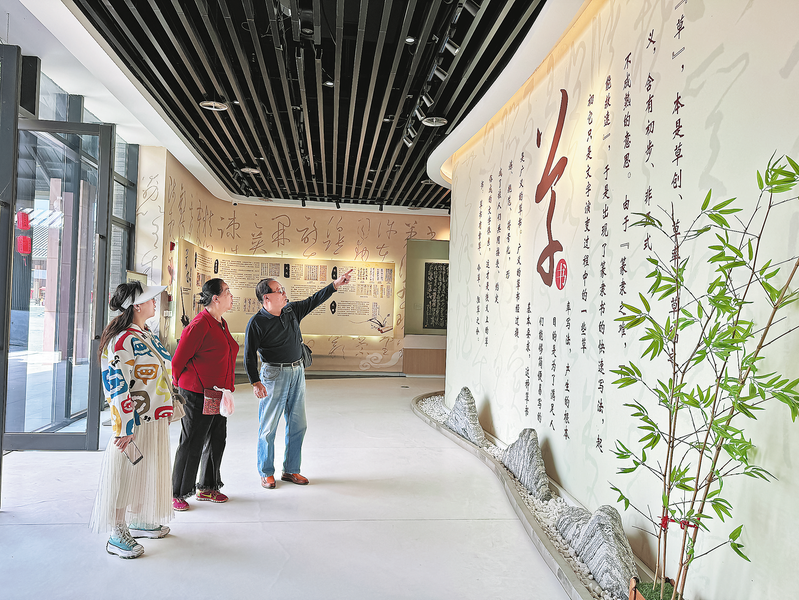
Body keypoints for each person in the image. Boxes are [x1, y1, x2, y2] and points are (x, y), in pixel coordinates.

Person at [244, 269, 352, 489]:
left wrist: (335, 285)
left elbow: (314, 300)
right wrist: (255, 382)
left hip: (297, 372)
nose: (284, 293)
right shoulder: (257, 323)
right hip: (273, 375)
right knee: (268, 427)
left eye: (283, 289)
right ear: (266, 298)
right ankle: (266, 472)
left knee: (298, 424)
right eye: (279, 290)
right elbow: (248, 355)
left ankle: (291, 469)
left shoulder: (291, 310)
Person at [90, 282, 175, 559]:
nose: (155, 302)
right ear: (137, 306)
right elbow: (116, 386)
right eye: (150, 299)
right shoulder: (122, 340)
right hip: (134, 421)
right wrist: (125, 426)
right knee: (125, 474)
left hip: (151, 416)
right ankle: (117, 532)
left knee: (145, 468)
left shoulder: (143, 333)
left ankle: (138, 520)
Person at [170, 278, 238, 511]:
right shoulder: (199, 325)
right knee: (192, 441)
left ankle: (208, 487)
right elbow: (177, 361)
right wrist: (179, 388)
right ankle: (177, 492)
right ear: (216, 298)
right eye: (227, 292)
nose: (231, 296)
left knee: (217, 439)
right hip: (197, 393)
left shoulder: (220, 322)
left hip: (217, 393)